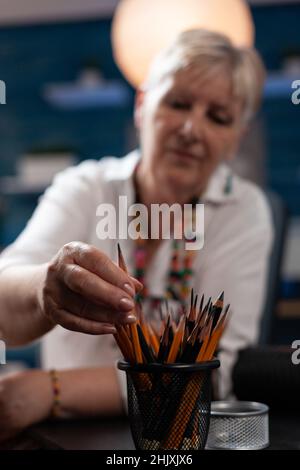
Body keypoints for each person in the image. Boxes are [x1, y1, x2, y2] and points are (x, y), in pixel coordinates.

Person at [0, 29, 273, 442]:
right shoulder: (85, 187)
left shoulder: (244, 209)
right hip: (67, 437)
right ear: (143, 106)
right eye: (177, 103)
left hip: (178, 438)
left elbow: (218, 371)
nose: (190, 129)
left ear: (236, 137)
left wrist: (49, 390)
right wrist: (45, 287)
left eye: (218, 117)